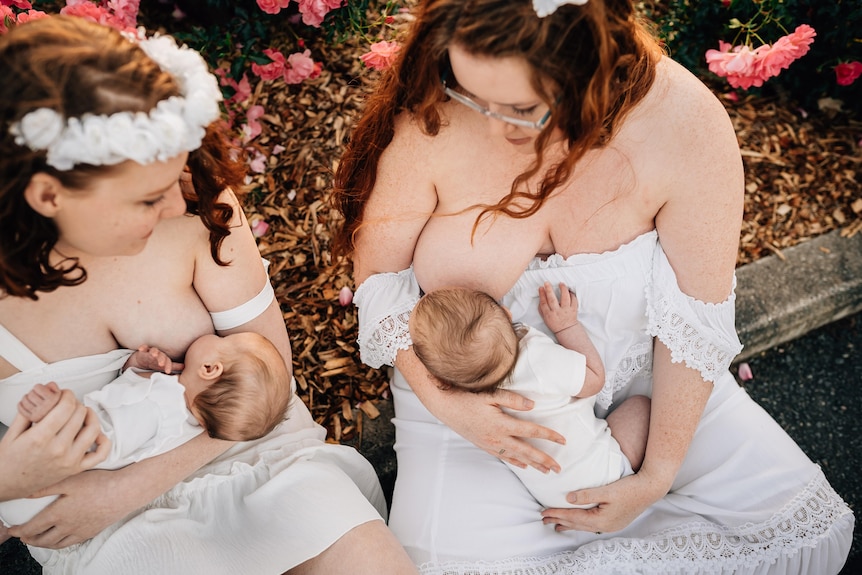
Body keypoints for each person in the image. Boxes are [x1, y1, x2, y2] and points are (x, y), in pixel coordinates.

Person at [333, 0, 854, 572]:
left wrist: (654, 477)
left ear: (593, 69)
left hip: (644, 385)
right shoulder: (433, 114)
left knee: (805, 533)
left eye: (521, 107)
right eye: (468, 90)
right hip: (473, 408)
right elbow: (381, 281)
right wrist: (449, 404)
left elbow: (695, 325)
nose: (490, 124)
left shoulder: (684, 123)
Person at [0, 14, 417, 575]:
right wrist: (11, 479)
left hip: (257, 457)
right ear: (49, 194)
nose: (175, 207)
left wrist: (128, 485)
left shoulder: (195, 204)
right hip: (105, 532)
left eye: (175, 182)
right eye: (147, 198)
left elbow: (272, 382)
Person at [1, 331, 293, 527]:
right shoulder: (185, 417)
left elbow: (103, 446)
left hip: (43, 489)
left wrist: (54, 415)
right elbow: (125, 393)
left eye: (223, 339)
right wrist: (137, 366)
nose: (217, 334)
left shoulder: (158, 407)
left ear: (209, 369)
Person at [409, 279, 650, 508]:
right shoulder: (536, 358)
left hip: (552, 494)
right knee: (641, 407)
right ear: (506, 314)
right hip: (604, 472)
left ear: (439, 380)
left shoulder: (465, 393)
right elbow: (594, 380)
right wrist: (567, 326)